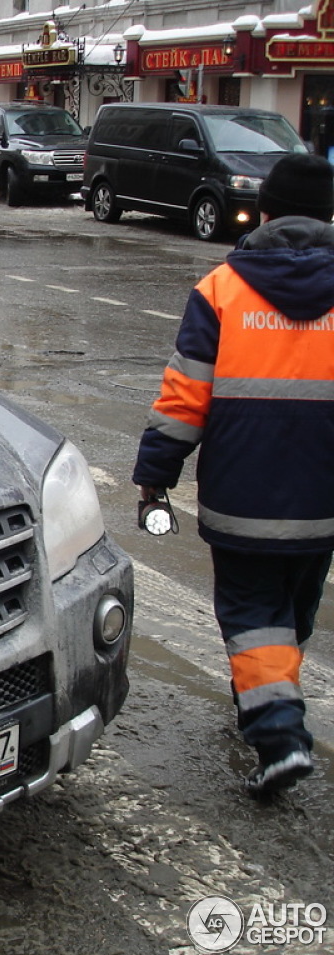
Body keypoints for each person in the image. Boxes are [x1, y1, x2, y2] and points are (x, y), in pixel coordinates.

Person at [132, 152, 334, 796]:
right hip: (325, 502)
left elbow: (184, 395)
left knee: (252, 611)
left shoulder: (223, 289)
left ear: (264, 212)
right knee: (292, 607)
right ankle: (269, 682)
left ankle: (278, 732)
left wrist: (154, 476)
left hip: (241, 497)